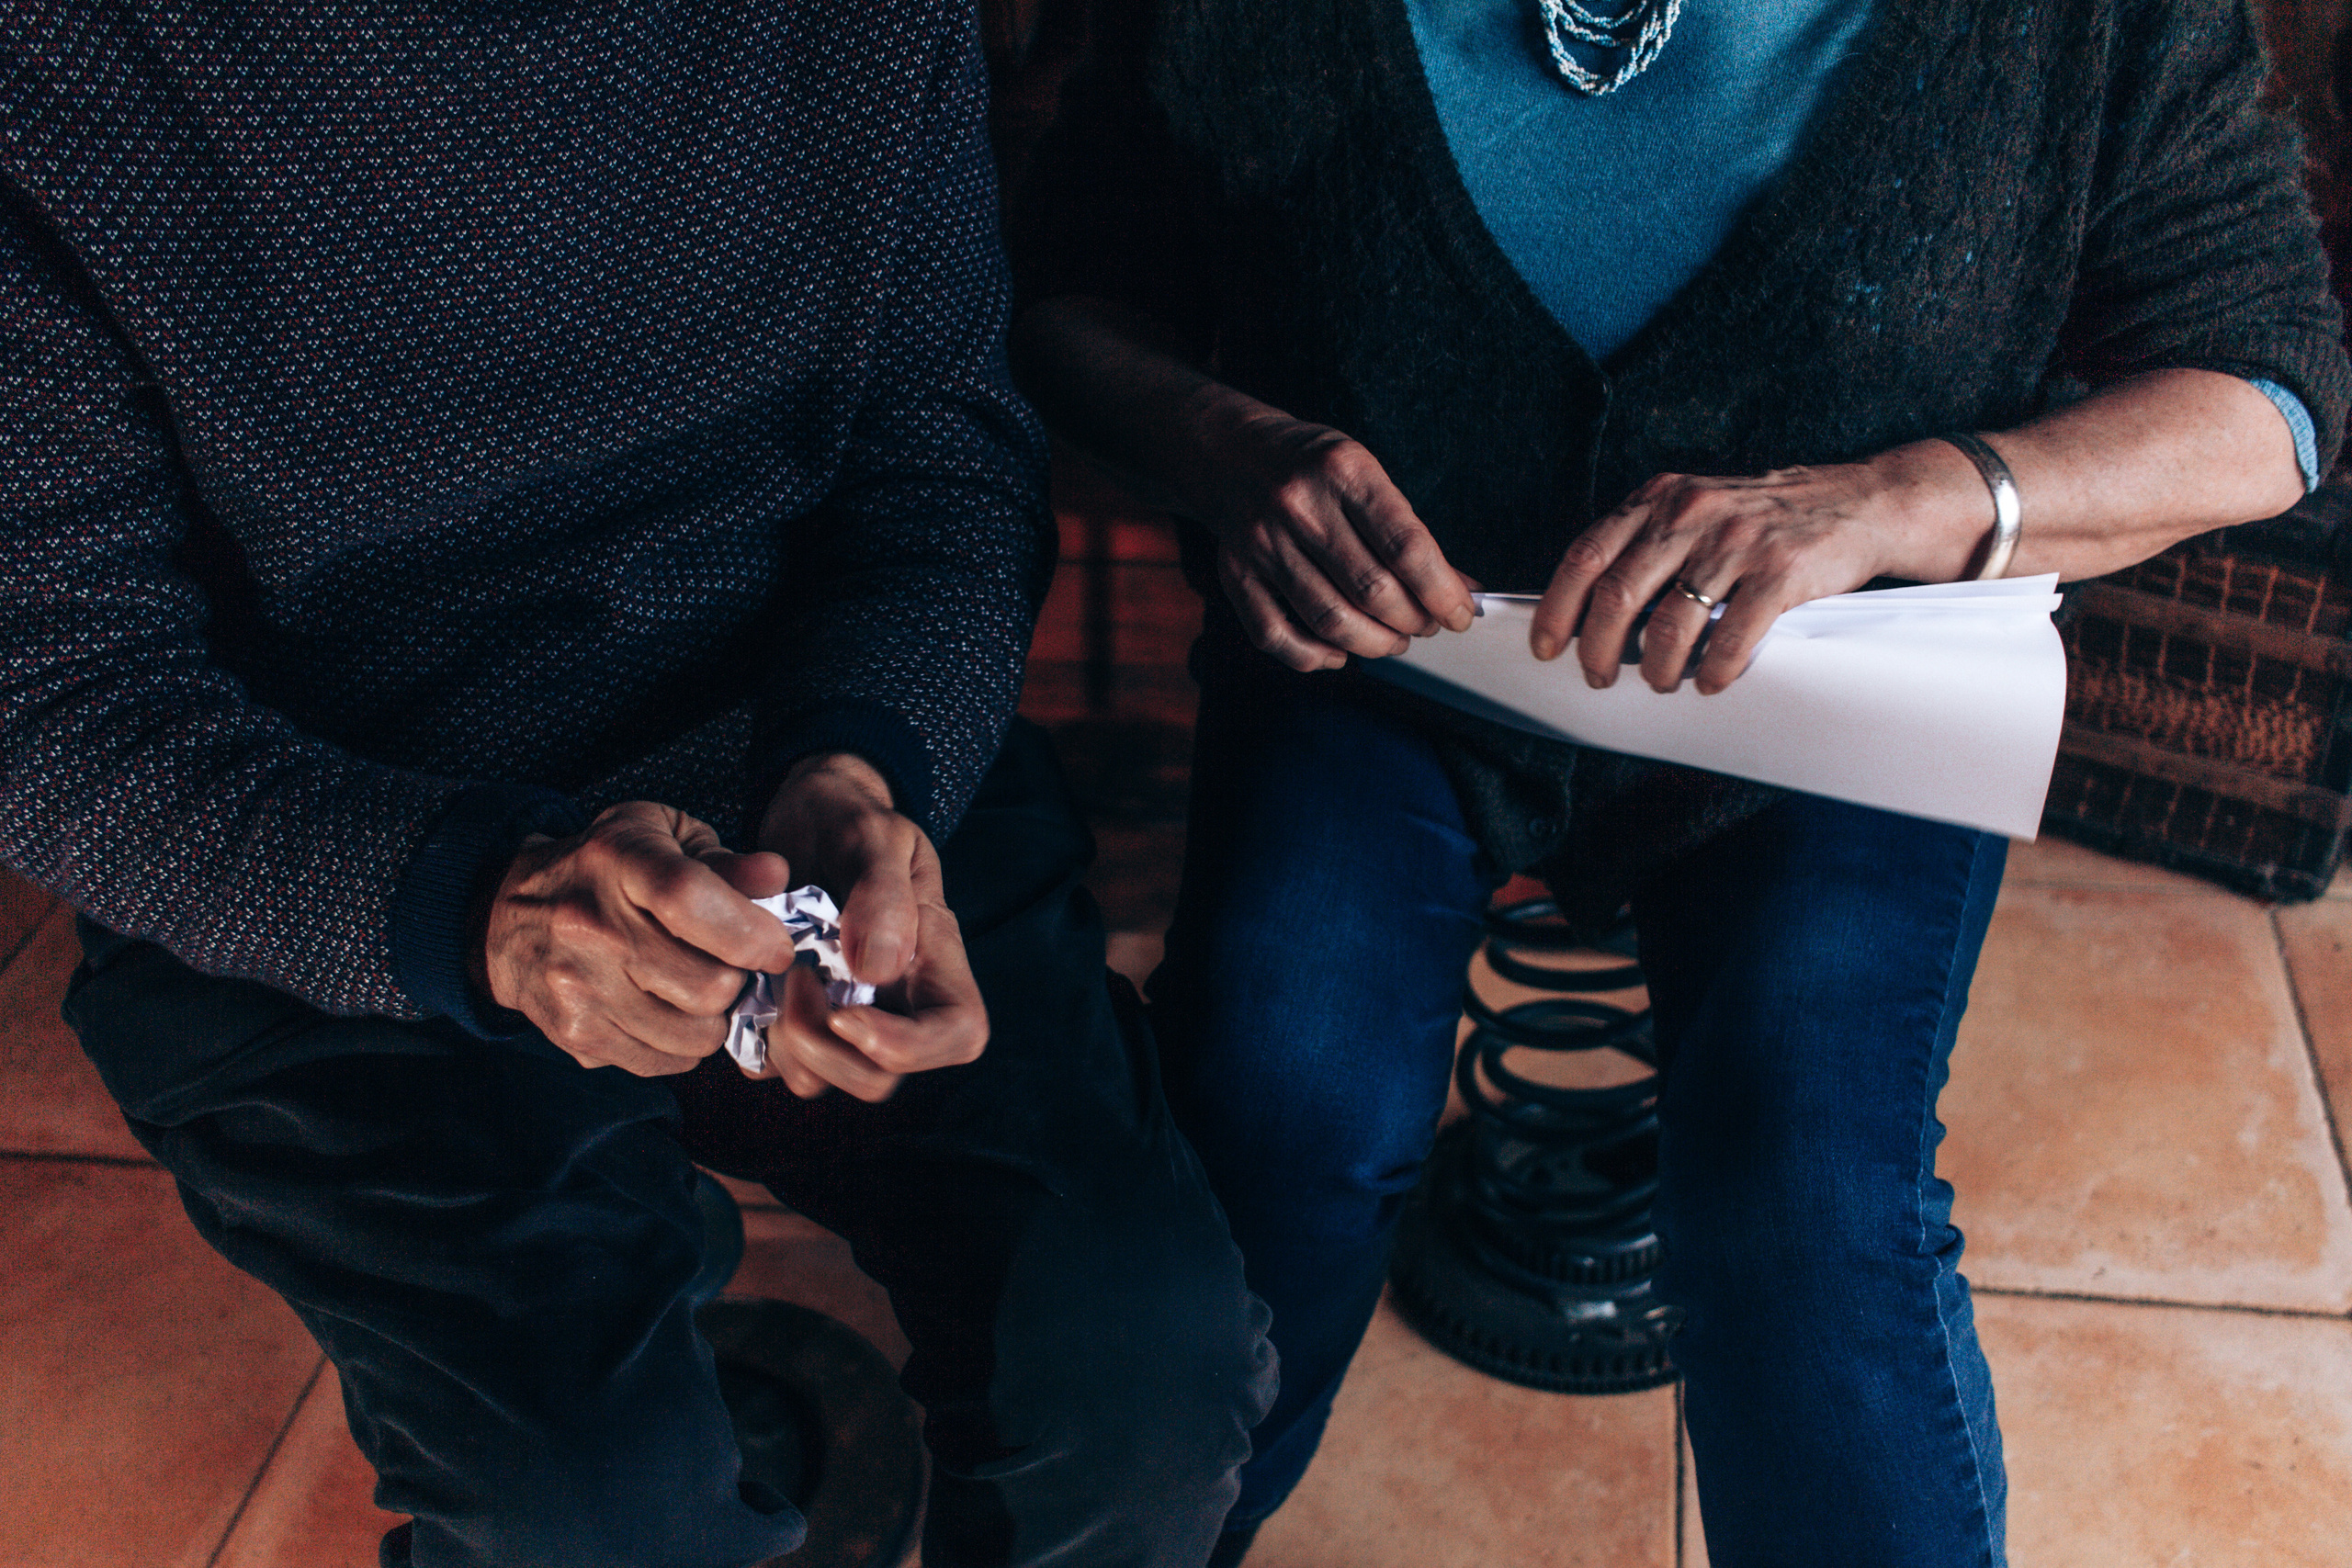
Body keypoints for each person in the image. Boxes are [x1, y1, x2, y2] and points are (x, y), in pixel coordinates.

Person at [1008, 0, 2350, 1562]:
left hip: (1839, 688)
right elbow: (1067, 302)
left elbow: (2270, 393)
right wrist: (1216, 444)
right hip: (1387, 666)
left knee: (1805, 1204)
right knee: (1276, 1112)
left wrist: (1908, 496)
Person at [0, 5, 1275, 1566]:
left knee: (1146, 1369)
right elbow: (53, 684)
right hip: (329, 830)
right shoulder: (60, 60)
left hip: (800, 728)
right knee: (589, 1515)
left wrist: (870, 761)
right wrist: (477, 907)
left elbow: (941, 440)